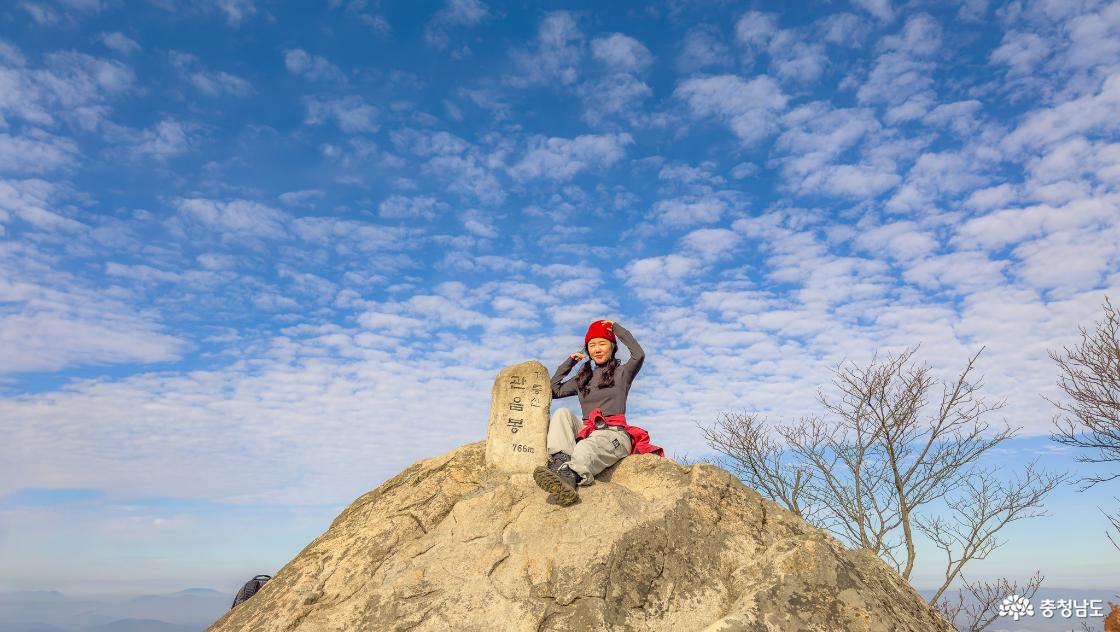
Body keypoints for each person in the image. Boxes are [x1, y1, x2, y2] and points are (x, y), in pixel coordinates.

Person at [533, 319, 663, 506]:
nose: (597, 349)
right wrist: (569, 363)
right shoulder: (583, 378)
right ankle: (560, 461)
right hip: (588, 431)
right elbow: (553, 391)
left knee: (586, 448)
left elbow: (638, 355)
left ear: (612, 347)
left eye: (602, 343)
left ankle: (569, 479)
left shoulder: (622, 372)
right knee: (562, 413)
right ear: (588, 350)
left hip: (614, 434)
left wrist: (616, 329)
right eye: (592, 345)